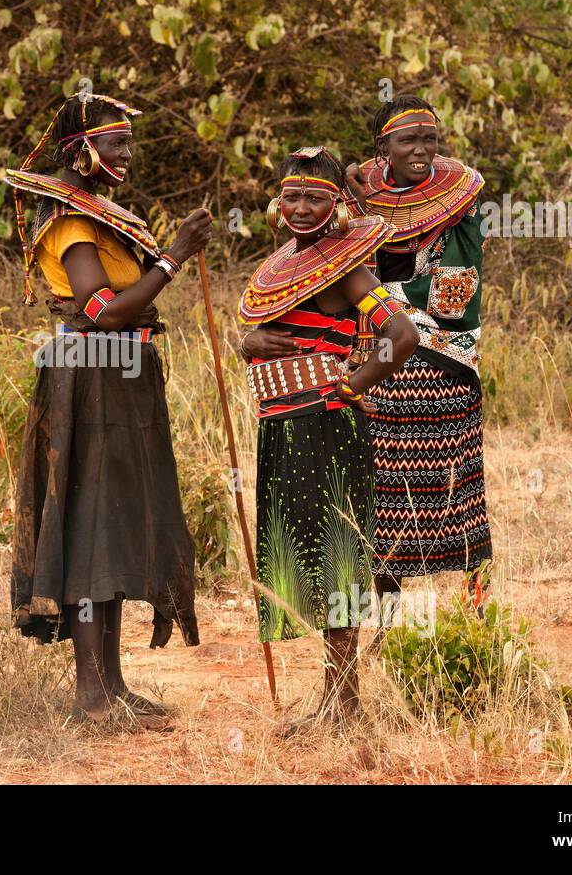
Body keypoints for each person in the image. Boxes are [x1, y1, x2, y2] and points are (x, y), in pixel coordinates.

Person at [0, 92, 211, 729]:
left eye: (127, 142)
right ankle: (91, 696)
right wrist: (175, 255)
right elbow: (100, 311)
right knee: (92, 522)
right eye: (116, 144)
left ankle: (111, 687)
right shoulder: (66, 221)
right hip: (88, 375)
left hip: (122, 375)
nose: (127, 154)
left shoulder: (104, 213)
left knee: (114, 519)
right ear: (81, 150)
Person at [238, 147, 417, 730]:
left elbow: (402, 332)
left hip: (325, 423)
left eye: (316, 196)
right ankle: (335, 702)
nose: (302, 207)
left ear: (337, 202)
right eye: (292, 196)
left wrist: (353, 384)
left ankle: (344, 707)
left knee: (338, 560)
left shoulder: (347, 267)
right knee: (311, 559)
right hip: (282, 424)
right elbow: (267, 335)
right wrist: (247, 346)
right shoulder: (283, 264)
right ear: (277, 201)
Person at [344, 94, 491, 627]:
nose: (422, 150)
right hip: (379, 364)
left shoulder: (461, 193)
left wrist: (388, 304)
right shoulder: (358, 198)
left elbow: (456, 290)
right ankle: (387, 626)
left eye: (429, 139)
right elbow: (319, 248)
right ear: (383, 146)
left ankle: (476, 625)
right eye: (407, 140)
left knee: (462, 495)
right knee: (383, 503)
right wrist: (347, 185)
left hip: (444, 364)